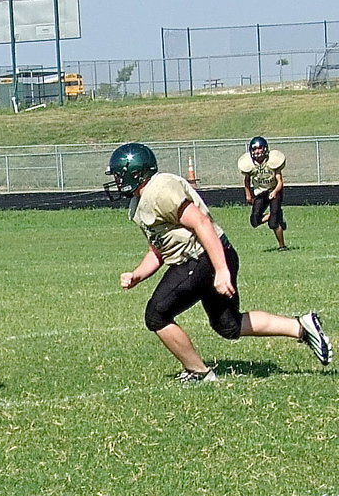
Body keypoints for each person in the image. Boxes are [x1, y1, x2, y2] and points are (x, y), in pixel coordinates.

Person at [106, 142, 330, 381]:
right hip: (209, 256)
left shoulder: (160, 191)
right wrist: (137, 275)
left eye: (120, 176)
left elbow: (200, 223)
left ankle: (199, 371)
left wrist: (221, 269)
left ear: (136, 173)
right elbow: (159, 249)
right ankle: (301, 327)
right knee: (228, 325)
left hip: (202, 258)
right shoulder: (142, 200)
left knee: (156, 315)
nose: (118, 182)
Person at [238, 136, 289, 250]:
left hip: (273, 190)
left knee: (273, 223)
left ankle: (282, 246)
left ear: (265, 149)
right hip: (260, 193)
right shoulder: (250, 164)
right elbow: (246, 180)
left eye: (259, 148)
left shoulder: (273, 161)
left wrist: (275, 191)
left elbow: (280, 181)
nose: (257, 151)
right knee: (254, 221)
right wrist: (248, 194)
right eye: (254, 149)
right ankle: (277, 216)